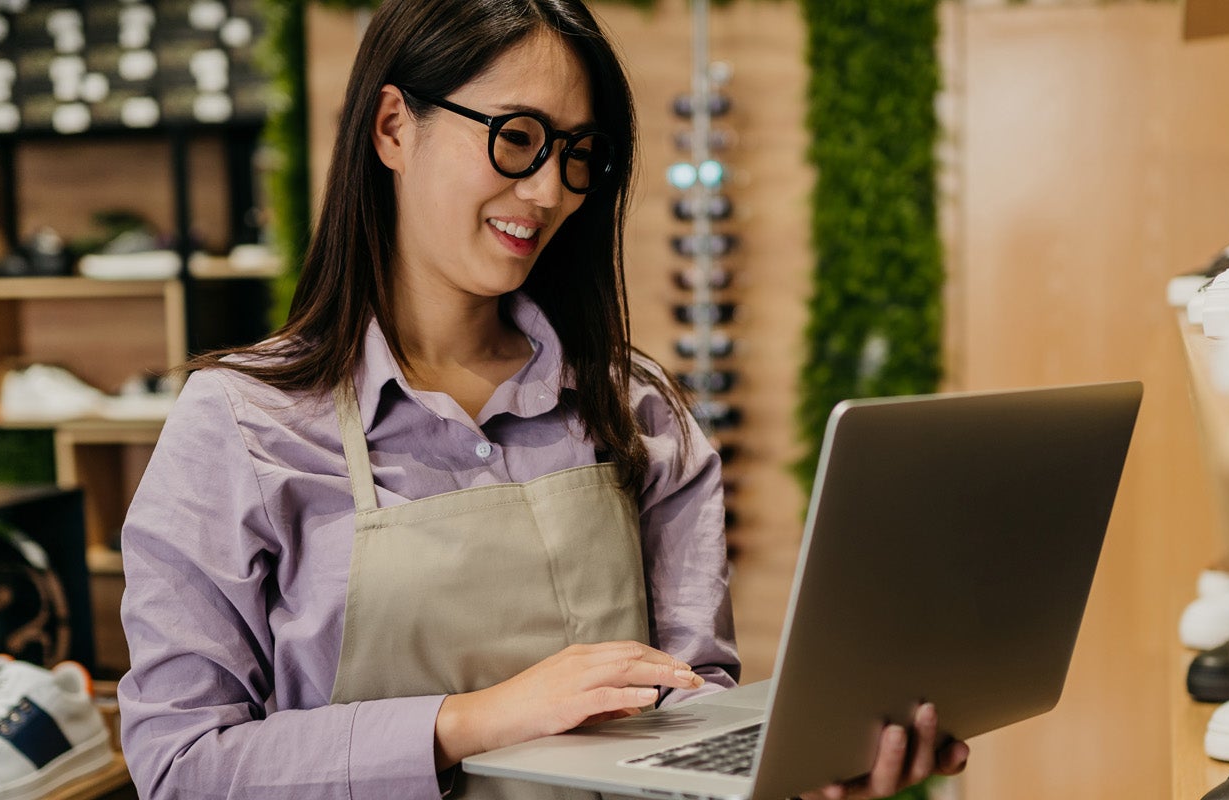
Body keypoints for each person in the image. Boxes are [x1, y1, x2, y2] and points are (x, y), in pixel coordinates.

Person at [116, 1, 968, 798]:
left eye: (576, 154)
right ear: (391, 128)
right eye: (517, 137)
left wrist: (793, 769)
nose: (551, 191)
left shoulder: (637, 414)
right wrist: (473, 721)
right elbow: (180, 764)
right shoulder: (240, 424)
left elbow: (687, 707)